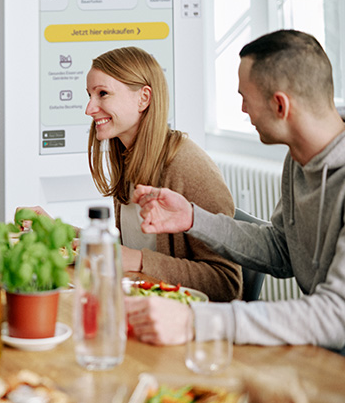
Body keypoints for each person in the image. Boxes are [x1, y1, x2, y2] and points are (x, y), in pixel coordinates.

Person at [127, 30, 345, 353]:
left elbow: (336, 315)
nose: (243, 110)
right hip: (318, 354)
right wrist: (192, 218)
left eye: (245, 97)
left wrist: (194, 320)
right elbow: (281, 250)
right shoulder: (298, 160)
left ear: (280, 105)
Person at [26, 47, 242, 301]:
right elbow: (125, 252)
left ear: (144, 98)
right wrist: (58, 230)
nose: (89, 109)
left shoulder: (187, 166)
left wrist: (138, 260)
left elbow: (227, 283)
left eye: (102, 94)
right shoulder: (127, 156)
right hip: (138, 305)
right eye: (90, 95)